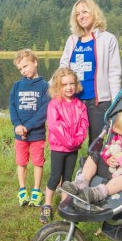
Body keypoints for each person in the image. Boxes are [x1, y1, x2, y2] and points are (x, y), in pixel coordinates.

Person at [61, 109, 122, 204]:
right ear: (120, 132)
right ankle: (82, 182)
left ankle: (98, 193)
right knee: (94, 155)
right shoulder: (118, 140)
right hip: (111, 171)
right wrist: (108, 160)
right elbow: (106, 153)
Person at [59, 0, 122, 146]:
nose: (81, 16)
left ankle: (97, 169)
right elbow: (62, 68)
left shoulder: (108, 39)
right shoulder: (73, 40)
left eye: (85, 12)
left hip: (99, 102)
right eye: (77, 14)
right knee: (70, 142)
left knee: (98, 144)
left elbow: (114, 73)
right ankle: (77, 169)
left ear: (94, 12)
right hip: (74, 100)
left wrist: (117, 102)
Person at [40, 67, 89, 223]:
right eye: (65, 84)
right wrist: (69, 141)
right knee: (55, 177)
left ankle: (64, 204)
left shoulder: (80, 105)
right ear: (58, 86)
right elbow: (55, 126)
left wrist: (77, 141)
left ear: (76, 84)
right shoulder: (54, 104)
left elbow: (84, 124)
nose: (69, 87)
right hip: (59, 148)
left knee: (67, 178)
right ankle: (47, 204)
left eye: (71, 84)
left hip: (73, 148)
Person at [8, 49, 50, 208]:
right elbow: (12, 107)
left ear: (35, 62)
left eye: (25, 66)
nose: (23, 70)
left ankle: (36, 191)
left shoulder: (45, 86)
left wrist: (28, 126)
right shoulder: (17, 86)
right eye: (20, 69)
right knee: (21, 161)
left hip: (37, 133)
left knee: (38, 162)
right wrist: (18, 125)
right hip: (20, 133)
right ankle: (22, 190)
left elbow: (44, 110)